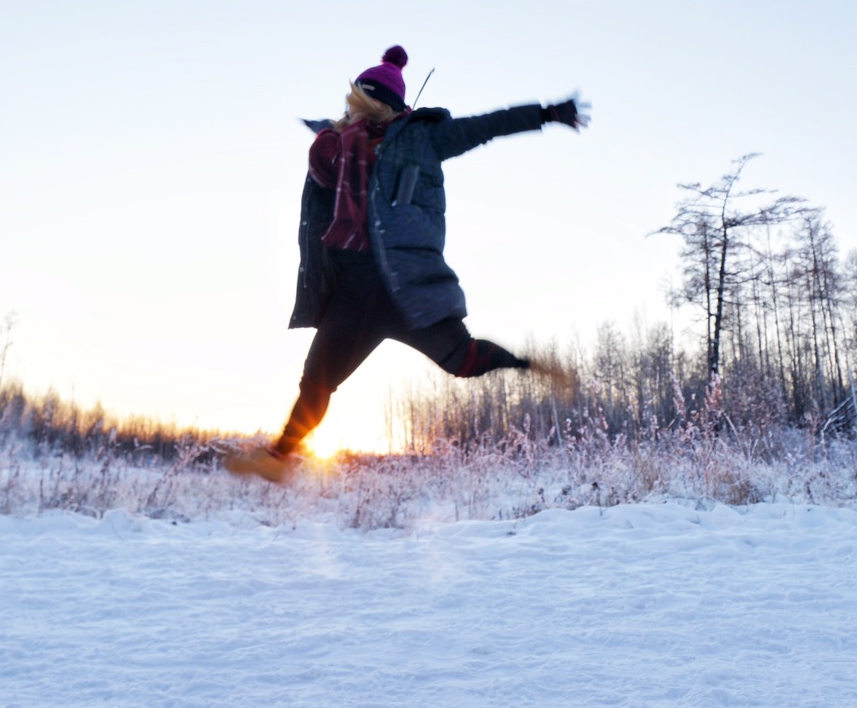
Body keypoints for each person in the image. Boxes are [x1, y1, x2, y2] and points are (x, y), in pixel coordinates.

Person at [227, 45, 587, 482]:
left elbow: (487, 126)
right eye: (349, 102)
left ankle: (530, 366)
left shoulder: (421, 138)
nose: (350, 109)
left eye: (358, 102)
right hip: (351, 291)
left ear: (377, 104)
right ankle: (278, 459)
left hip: (406, 288)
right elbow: (320, 204)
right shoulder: (333, 148)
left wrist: (548, 113)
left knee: (464, 360)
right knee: (315, 382)